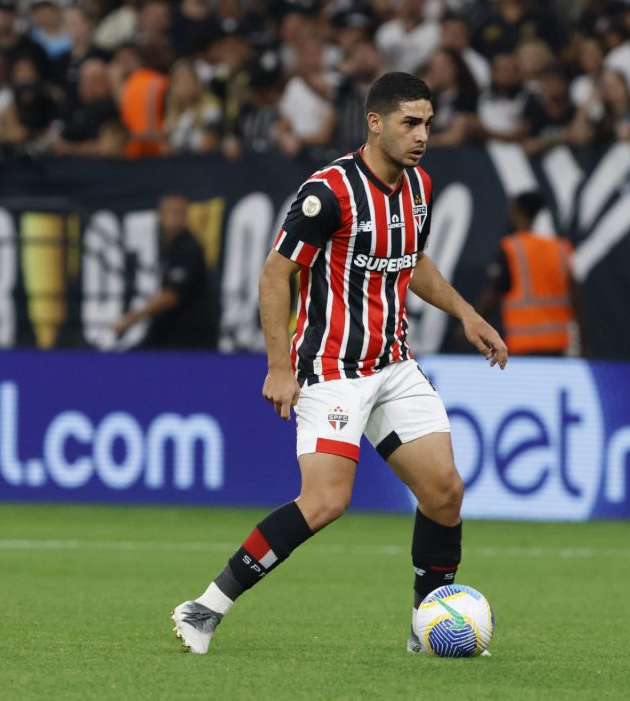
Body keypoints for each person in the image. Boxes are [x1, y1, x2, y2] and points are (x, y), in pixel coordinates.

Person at [170, 72, 508, 655]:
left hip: (394, 363)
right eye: (410, 123)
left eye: (427, 122)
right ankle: (204, 608)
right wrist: (280, 366)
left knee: (445, 491)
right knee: (327, 501)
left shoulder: (418, 185)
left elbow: (411, 259)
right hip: (331, 368)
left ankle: (426, 627)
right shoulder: (328, 191)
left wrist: (465, 312)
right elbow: (277, 272)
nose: (422, 134)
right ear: (374, 123)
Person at [475, 192, 584, 356]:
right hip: (558, 345)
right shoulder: (561, 248)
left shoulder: (511, 248)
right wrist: (584, 344)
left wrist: (472, 323)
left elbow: (492, 294)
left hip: (523, 345)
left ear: (519, 213)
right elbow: (576, 301)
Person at [113, 193, 216, 350]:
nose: (174, 219)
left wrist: (132, 318)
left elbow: (171, 297)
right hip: (170, 336)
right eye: (169, 212)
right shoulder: (168, 246)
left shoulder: (189, 247)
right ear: (160, 215)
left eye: (179, 213)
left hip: (189, 340)